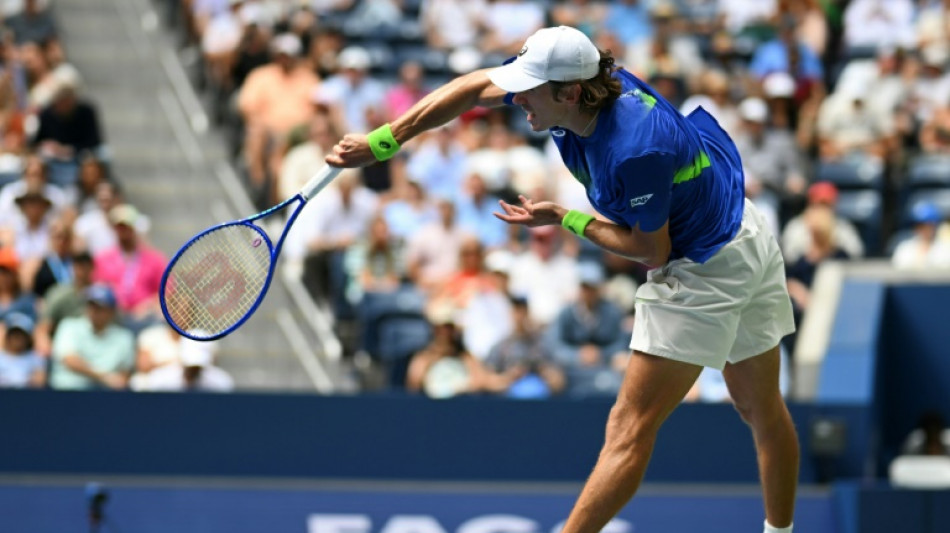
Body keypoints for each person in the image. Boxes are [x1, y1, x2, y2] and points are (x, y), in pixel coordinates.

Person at [327, 25, 799, 533]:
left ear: (571, 92)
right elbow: (470, 87)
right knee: (759, 407)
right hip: (741, 223)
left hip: (703, 264)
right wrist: (385, 140)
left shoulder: (635, 148)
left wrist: (567, 219)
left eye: (529, 91)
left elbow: (650, 249)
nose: (517, 99)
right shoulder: (568, 91)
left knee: (629, 428)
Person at [48, 284, 135, 391]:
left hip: (106, 398)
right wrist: (104, 377)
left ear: (111, 311)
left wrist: (112, 380)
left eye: (99, 307)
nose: (93, 311)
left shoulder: (124, 337)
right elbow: (70, 360)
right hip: (67, 394)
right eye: (90, 305)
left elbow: (123, 376)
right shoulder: (69, 326)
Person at [0, 312, 45, 388]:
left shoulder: (36, 358)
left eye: (20, 335)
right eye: (13, 334)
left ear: (28, 337)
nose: (16, 338)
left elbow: (39, 382)